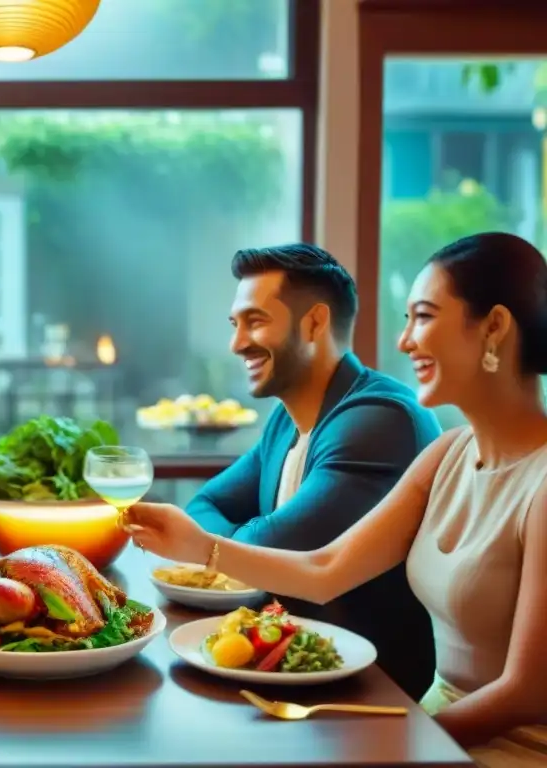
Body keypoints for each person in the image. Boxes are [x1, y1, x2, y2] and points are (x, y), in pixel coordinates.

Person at [128, 232, 547, 765]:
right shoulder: (446, 454)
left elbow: (526, 694)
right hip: (432, 723)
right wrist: (200, 546)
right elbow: (327, 568)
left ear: (493, 327)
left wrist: (407, 738)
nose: (405, 341)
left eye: (423, 316)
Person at [182, 244, 442, 700]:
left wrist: (231, 547)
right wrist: (241, 546)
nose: (237, 342)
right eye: (235, 324)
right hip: (289, 670)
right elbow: (206, 505)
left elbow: (269, 549)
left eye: (255, 321)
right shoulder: (286, 418)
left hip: (371, 695)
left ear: (315, 323)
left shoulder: (380, 419)